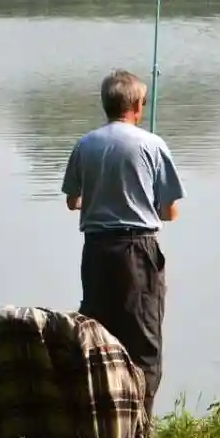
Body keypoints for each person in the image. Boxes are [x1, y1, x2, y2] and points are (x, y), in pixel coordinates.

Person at [61, 69, 185, 417]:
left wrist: (101, 200)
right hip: (138, 251)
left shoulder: (85, 144)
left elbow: (73, 201)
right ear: (135, 105)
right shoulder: (152, 144)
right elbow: (170, 212)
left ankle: (98, 422)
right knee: (143, 341)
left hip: (96, 251)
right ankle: (139, 429)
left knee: (99, 337)